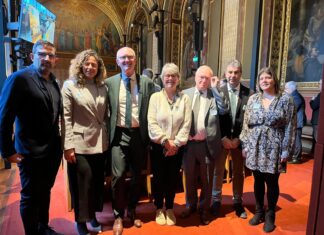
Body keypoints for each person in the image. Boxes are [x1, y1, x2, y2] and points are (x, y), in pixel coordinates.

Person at [0, 40, 63, 235]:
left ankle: (43, 227)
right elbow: (4, 116)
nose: (46, 58)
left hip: (51, 152)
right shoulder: (20, 79)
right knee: (29, 197)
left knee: (45, 192)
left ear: (55, 60)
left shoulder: (53, 81)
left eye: (50, 55)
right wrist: (7, 151)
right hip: (29, 152)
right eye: (42, 54)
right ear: (32, 56)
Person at [105, 47, 155, 235]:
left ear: (136, 60)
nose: (127, 60)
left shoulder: (148, 83)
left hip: (139, 136)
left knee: (137, 176)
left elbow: (155, 106)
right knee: (118, 176)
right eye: (123, 58)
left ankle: (132, 210)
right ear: (117, 61)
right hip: (118, 135)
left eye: (130, 57)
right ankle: (118, 215)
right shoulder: (109, 83)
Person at [240, 67, 296, 233]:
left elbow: (290, 126)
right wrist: (245, 144)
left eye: (268, 78)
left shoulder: (285, 100)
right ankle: (259, 211)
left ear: (274, 80)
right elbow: (246, 124)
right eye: (261, 78)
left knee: (271, 182)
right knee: (257, 180)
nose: (264, 80)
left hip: (275, 147)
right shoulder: (253, 99)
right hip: (255, 145)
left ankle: (270, 214)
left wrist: (286, 150)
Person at [61, 49, 108, 235]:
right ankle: (80, 221)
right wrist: (68, 146)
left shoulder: (102, 86)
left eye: (94, 65)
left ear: (99, 68)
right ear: (80, 65)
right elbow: (65, 118)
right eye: (87, 64)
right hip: (79, 144)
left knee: (97, 182)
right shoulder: (70, 86)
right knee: (82, 183)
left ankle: (93, 215)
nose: (90, 67)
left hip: (100, 142)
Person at [181, 65, 227, 225]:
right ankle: (190, 205)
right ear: (195, 77)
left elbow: (223, 110)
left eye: (207, 78)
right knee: (189, 177)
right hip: (189, 144)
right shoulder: (184, 94)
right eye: (201, 77)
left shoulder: (214, 96)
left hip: (208, 144)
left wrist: (215, 89)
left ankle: (203, 208)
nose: (203, 81)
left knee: (207, 179)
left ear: (211, 80)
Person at [148, 63, 191, 226]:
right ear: (162, 78)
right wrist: (166, 142)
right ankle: (159, 207)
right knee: (158, 178)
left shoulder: (184, 98)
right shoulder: (155, 98)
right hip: (159, 146)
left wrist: (176, 144)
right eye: (167, 75)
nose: (170, 79)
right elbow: (151, 122)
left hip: (177, 148)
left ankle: (170, 207)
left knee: (173, 178)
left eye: (174, 75)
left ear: (178, 79)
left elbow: (186, 124)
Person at [211, 59, 252, 219]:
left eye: (236, 72)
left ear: (240, 74)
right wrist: (222, 138)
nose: (233, 75)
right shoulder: (217, 91)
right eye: (230, 72)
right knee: (218, 171)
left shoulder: (250, 94)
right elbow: (213, 119)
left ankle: (237, 201)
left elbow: (250, 121)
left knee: (238, 173)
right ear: (225, 73)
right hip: (222, 140)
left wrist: (239, 140)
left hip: (239, 141)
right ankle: (216, 200)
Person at [285, 81, 306, 164]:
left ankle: (297, 157)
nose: (285, 90)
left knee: (297, 140)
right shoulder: (293, 95)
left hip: (297, 122)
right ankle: (294, 156)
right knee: (294, 139)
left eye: (286, 88)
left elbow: (292, 108)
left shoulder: (296, 96)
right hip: (295, 122)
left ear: (291, 88)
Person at [310, 79, 322, 144]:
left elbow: (314, 106)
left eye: (320, 84)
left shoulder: (321, 94)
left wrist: (312, 100)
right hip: (318, 121)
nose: (319, 85)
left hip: (317, 121)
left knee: (317, 140)